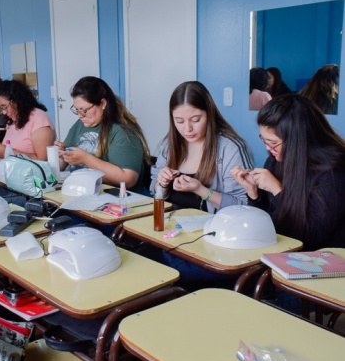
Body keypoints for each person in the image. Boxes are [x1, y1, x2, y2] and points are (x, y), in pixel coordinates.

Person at [231, 94, 345, 251]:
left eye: (273, 143)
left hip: (321, 261)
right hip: (279, 250)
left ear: (297, 140)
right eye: (264, 140)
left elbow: (310, 238)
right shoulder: (275, 160)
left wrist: (277, 190)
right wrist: (254, 194)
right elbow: (264, 223)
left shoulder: (333, 171)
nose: (267, 148)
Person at [151, 81, 254, 213]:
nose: (187, 128)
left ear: (209, 114)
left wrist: (201, 190)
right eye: (179, 121)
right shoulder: (168, 144)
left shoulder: (231, 149)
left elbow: (244, 206)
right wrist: (162, 184)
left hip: (212, 229)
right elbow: (154, 192)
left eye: (195, 120)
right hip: (171, 227)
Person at [55, 76, 151, 192]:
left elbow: (128, 179)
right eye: (76, 110)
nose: (80, 115)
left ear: (103, 103)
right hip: (82, 191)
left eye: (84, 110)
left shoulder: (122, 132)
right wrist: (61, 155)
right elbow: (62, 165)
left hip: (117, 199)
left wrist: (85, 159)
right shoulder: (80, 125)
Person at [0, 79, 55, 160]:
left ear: (17, 101)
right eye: (1, 108)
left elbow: (42, 161)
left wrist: (8, 152)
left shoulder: (40, 120)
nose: (4, 112)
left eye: (5, 107)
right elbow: (17, 148)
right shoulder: (13, 120)